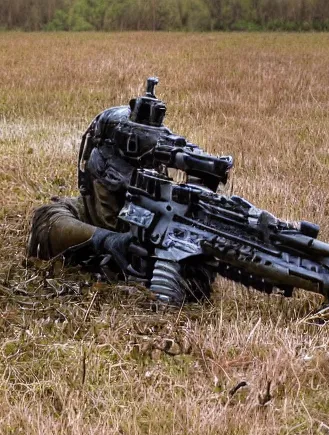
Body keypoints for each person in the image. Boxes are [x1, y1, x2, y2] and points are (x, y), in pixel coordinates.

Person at [27, 78, 230, 303]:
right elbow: (46, 224)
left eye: (140, 190)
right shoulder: (79, 210)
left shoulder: (164, 221)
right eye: (113, 191)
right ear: (94, 179)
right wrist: (106, 240)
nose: (126, 201)